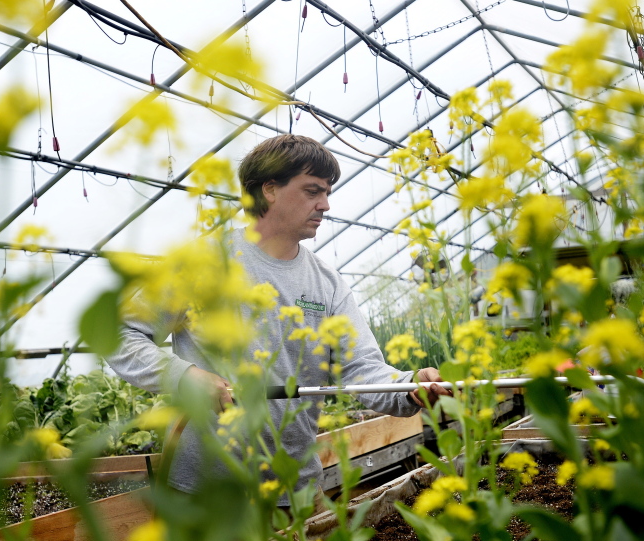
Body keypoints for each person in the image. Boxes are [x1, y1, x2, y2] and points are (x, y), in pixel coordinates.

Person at [106, 134, 450, 502]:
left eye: (327, 192)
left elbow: (363, 369)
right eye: (312, 191)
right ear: (270, 189)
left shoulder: (327, 283)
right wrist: (186, 377)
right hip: (208, 498)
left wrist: (410, 387)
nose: (326, 205)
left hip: (296, 494)